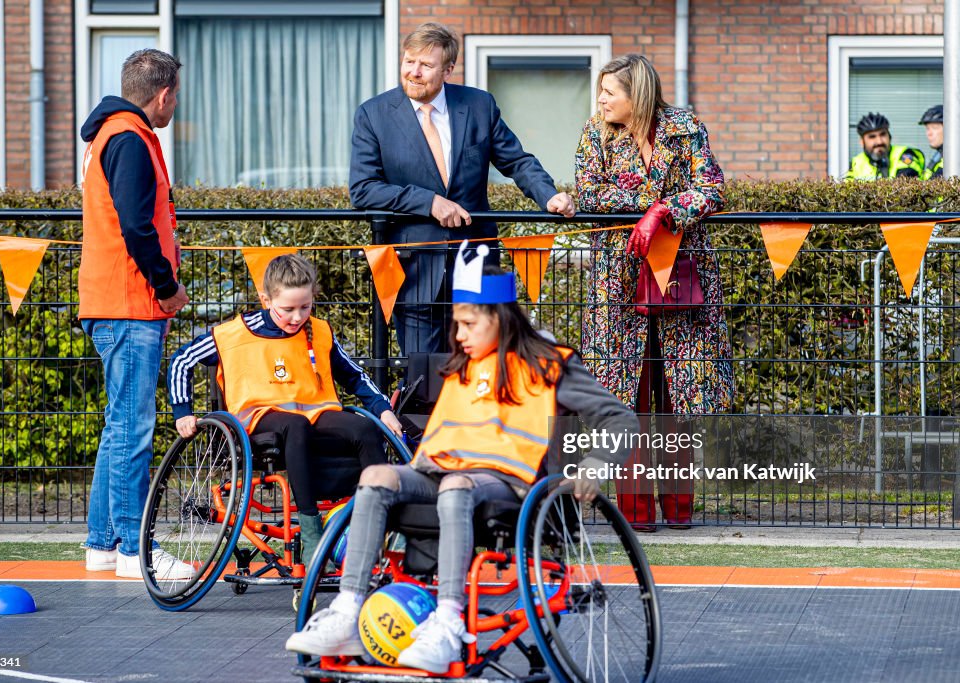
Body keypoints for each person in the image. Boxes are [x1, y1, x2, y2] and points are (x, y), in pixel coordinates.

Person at [286, 242, 639, 674]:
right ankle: (346, 610)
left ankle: (449, 621)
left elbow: (620, 418)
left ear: (500, 319)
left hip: (511, 484)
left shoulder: (550, 364)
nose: (460, 335)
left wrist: (597, 464)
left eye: (469, 324)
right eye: (457, 324)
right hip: (442, 473)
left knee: (456, 485)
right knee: (377, 475)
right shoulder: (462, 365)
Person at [574, 54, 734, 531]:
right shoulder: (594, 134)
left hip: (682, 269)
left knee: (677, 393)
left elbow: (713, 187)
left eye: (609, 92)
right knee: (630, 393)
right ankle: (636, 512)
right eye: (600, 91)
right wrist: (653, 206)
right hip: (619, 277)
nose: (600, 99)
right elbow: (588, 195)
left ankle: (680, 507)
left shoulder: (685, 127)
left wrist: (663, 211)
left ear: (636, 95)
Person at [349, 22, 575, 357]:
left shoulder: (480, 105)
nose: (413, 72)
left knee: (483, 365)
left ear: (448, 69)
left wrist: (549, 195)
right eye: (408, 61)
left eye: (425, 65)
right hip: (413, 268)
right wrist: (429, 202)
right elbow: (363, 189)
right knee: (423, 375)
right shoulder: (373, 114)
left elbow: (517, 161)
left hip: (476, 260)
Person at [168, 254, 403, 566]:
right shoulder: (232, 334)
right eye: (288, 309)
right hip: (258, 419)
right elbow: (181, 360)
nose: (297, 317)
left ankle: (382, 522)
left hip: (316, 413)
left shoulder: (319, 331)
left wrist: (383, 410)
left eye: (305, 307)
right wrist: (182, 411)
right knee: (295, 426)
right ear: (266, 299)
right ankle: (310, 531)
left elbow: (354, 376)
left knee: (365, 429)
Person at [78, 48, 194, 579]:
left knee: (118, 427)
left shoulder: (114, 132)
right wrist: (167, 287)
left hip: (115, 301)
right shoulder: (129, 138)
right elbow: (137, 227)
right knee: (132, 429)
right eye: (175, 97)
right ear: (164, 94)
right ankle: (132, 549)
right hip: (131, 303)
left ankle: (103, 544)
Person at [844, 112, 924, 180]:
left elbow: (907, 187)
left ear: (889, 136)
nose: (879, 141)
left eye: (883, 135)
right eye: (872, 137)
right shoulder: (856, 163)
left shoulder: (904, 154)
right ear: (862, 142)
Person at [919, 105, 944, 179]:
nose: (929, 133)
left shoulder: (954, 158)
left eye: (934, 128)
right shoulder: (939, 155)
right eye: (927, 128)